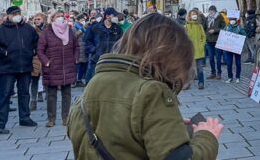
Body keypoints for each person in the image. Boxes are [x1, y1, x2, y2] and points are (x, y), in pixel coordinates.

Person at [67, 13, 222, 160]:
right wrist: (206, 135)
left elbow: (116, 134)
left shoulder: (91, 87)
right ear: (169, 56)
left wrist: (160, 124)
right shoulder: (151, 92)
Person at [0, 6, 39, 129]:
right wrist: (4, 53)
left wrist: (32, 51)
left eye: (18, 13)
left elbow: (36, 42)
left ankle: (25, 117)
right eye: (14, 14)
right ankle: (1, 121)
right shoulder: (0, 30)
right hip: (7, 67)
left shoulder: (28, 28)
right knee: (5, 94)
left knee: (24, 93)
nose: (17, 15)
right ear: (8, 16)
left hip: (25, 66)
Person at [38, 11, 80, 127]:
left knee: (67, 93)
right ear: (52, 19)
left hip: (67, 66)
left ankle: (66, 117)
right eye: (58, 16)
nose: (60, 18)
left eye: (62, 16)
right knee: (51, 94)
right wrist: (46, 62)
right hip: (52, 67)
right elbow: (40, 50)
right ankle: (51, 118)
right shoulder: (47, 33)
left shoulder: (70, 32)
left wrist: (75, 58)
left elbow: (76, 46)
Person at [85, 8, 122, 83]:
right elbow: (87, 41)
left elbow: (121, 42)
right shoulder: (95, 27)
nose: (115, 17)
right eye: (113, 15)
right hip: (97, 60)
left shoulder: (117, 28)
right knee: (96, 82)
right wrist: (94, 50)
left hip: (112, 60)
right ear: (107, 16)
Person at [184, 10, 207, 90]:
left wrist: (201, 44)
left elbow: (203, 36)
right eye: (193, 14)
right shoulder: (186, 26)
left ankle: (201, 83)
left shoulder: (199, 26)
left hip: (199, 50)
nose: (194, 16)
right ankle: (187, 84)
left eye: (195, 14)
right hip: (190, 51)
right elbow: (184, 37)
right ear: (189, 16)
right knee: (189, 68)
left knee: (200, 68)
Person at [29, 13, 47, 111]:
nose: (36, 21)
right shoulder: (32, 30)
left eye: (39, 19)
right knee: (34, 79)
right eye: (35, 19)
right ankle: (33, 101)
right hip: (35, 56)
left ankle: (48, 98)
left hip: (46, 56)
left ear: (44, 19)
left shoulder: (48, 30)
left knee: (48, 78)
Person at [204, 6, 225, 80]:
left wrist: (215, 30)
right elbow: (204, 28)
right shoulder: (207, 18)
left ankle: (219, 73)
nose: (211, 12)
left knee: (218, 58)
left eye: (212, 11)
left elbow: (223, 28)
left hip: (217, 40)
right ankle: (213, 73)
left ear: (215, 11)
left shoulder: (219, 17)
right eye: (210, 11)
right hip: (209, 41)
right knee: (210, 58)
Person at [222, 17, 245, 84]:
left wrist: (240, 34)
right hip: (228, 48)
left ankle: (238, 77)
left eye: (233, 20)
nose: (232, 21)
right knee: (229, 63)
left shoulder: (239, 27)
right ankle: (230, 77)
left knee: (238, 63)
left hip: (237, 48)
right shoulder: (226, 27)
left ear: (236, 20)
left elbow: (244, 35)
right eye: (231, 20)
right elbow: (223, 36)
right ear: (229, 20)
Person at [73, 15, 88, 87]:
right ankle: (74, 80)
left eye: (84, 19)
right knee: (76, 65)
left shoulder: (86, 27)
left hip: (84, 48)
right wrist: (81, 29)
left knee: (83, 65)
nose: (83, 21)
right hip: (78, 48)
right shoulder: (74, 27)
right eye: (82, 19)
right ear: (78, 20)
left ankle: (79, 79)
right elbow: (74, 36)